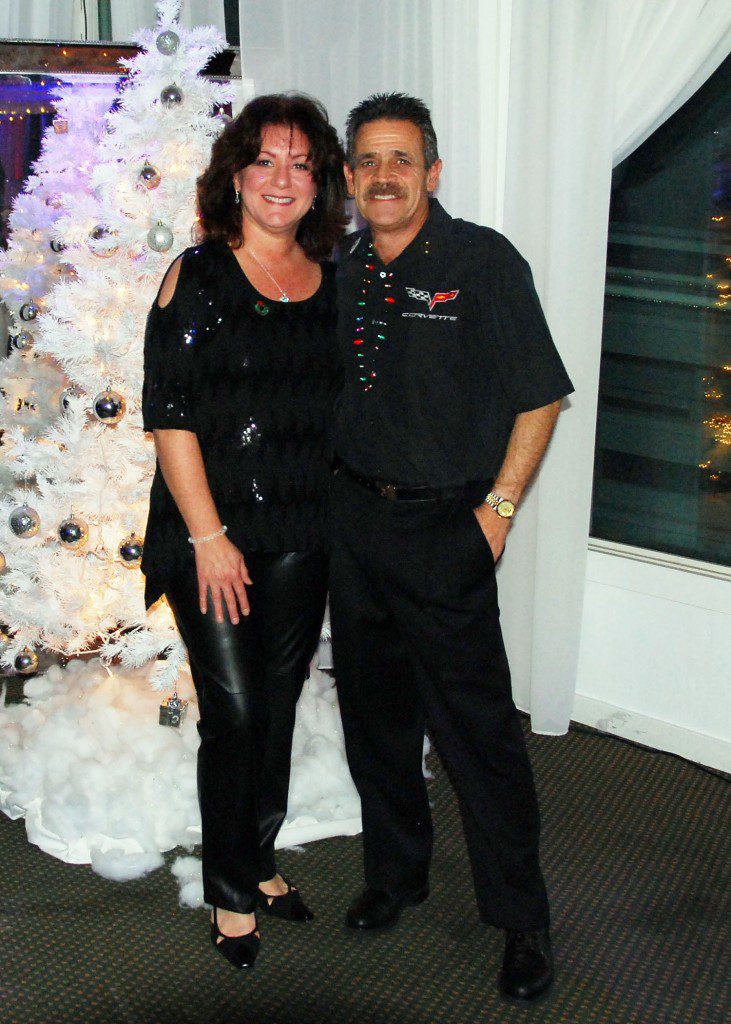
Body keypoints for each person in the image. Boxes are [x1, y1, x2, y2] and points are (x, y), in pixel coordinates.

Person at [329, 93, 574, 1004]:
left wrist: (498, 510)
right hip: (354, 527)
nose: (383, 176)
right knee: (376, 723)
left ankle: (521, 919)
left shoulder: (481, 262)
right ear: (348, 178)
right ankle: (397, 876)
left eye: (400, 158)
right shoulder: (342, 266)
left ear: (431, 172)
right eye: (367, 160)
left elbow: (539, 394)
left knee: (478, 737)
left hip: (445, 532)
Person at [141, 93, 347, 969]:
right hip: (210, 534)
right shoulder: (198, 275)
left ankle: (257, 857)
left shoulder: (332, 281)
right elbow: (170, 415)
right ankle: (230, 892)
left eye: (301, 163)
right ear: (235, 176)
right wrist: (208, 537)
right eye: (265, 160)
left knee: (276, 702)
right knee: (232, 713)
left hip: (302, 528)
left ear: (320, 182)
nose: (281, 178)